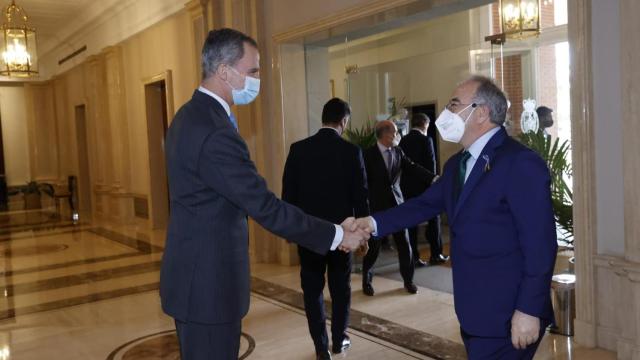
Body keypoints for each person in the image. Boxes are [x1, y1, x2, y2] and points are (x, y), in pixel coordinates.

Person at [159, 28, 369, 360]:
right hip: (208, 286)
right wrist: (337, 234)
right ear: (225, 71)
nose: (258, 79)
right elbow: (265, 206)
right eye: (253, 70)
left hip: (194, 278)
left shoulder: (191, 115)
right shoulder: (213, 130)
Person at [355, 76, 557, 359]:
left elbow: (541, 245)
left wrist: (528, 309)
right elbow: (422, 205)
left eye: (454, 104)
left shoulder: (519, 162)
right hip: (474, 312)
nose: (447, 112)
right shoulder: (457, 164)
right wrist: (371, 224)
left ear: (482, 112)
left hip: (509, 312)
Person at [282, 98, 369, 360]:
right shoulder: (351, 152)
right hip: (343, 236)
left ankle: (321, 348)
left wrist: (292, 231)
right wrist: (363, 235)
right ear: (343, 121)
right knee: (340, 289)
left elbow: (289, 197)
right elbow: (361, 198)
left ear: (323, 118)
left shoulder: (298, 150)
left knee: (312, 291)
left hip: (309, 235)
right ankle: (339, 339)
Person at [361, 120, 435, 296]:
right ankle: (367, 279)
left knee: (404, 244)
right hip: (377, 208)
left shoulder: (398, 151)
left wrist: (433, 178)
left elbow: (413, 167)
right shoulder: (367, 155)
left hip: (397, 206)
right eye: (395, 132)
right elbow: (362, 183)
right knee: (374, 246)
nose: (397, 135)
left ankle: (408, 281)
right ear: (386, 134)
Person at [399, 113, 449, 267]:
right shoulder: (426, 140)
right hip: (425, 188)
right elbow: (431, 166)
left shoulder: (403, 140)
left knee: (411, 223)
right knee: (434, 220)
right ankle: (436, 254)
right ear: (425, 125)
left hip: (407, 188)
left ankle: (414, 257)